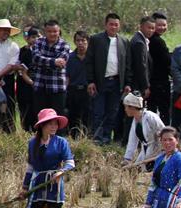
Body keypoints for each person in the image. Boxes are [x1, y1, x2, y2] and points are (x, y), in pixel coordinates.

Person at [22, 108, 74, 208]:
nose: (54, 126)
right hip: (38, 183)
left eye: (55, 124)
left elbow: (70, 162)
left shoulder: (61, 142)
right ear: (42, 125)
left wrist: (60, 172)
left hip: (54, 183)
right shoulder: (32, 143)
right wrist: (25, 187)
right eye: (50, 124)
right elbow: (30, 167)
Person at [85, 13, 131, 145]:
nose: (113, 27)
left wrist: (127, 83)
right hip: (100, 82)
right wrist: (91, 81)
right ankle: (97, 139)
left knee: (112, 112)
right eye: (111, 24)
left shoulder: (124, 41)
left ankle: (106, 138)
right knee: (98, 112)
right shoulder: (96, 39)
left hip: (116, 82)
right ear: (105, 25)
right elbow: (89, 62)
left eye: (116, 25)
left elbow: (127, 64)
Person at [30, 20, 71, 118]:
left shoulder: (64, 45)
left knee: (57, 117)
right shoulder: (38, 42)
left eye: (55, 31)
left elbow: (61, 63)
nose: (52, 34)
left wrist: (44, 61)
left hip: (57, 87)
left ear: (59, 31)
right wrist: (54, 61)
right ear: (45, 32)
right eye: (49, 31)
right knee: (41, 117)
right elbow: (36, 58)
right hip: (40, 86)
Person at [122, 92, 164, 166]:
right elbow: (132, 140)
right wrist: (127, 158)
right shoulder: (135, 120)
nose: (125, 110)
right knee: (136, 169)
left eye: (126, 107)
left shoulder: (151, 117)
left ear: (132, 107)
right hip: (145, 151)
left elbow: (165, 132)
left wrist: (164, 151)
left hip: (157, 152)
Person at [65, 31, 90, 138]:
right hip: (73, 90)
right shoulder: (70, 57)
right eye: (78, 40)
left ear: (88, 42)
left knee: (88, 116)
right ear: (74, 42)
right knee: (73, 116)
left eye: (83, 40)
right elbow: (67, 77)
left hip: (88, 90)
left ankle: (87, 138)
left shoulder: (92, 57)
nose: (80, 43)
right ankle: (73, 138)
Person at [148, 12, 171, 124]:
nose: (162, 27)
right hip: (159, 82)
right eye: (159, 25)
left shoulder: (149, 39)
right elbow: (167, 61)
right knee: (163, 111)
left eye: (164, 25)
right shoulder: (157, 41)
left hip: (152, 81)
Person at [16, 26, 40, 131]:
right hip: (25, 85)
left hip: (39, 85)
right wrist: (31, 82)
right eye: (33, 37)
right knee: (26, 109)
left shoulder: (43, 52)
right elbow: (22, 70)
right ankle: (26, 131)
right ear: (28, 38)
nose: (35, 40)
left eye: (38, 37)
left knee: (37, 109)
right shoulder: (24, 52)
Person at [129, 16, 154, 99]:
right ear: (141, 27)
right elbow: (141, 66)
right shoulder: (139, 43)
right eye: (148, 28)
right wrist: (145, 86)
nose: (151, 30)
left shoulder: (143, 40)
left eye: (153, 28)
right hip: (137, 84)